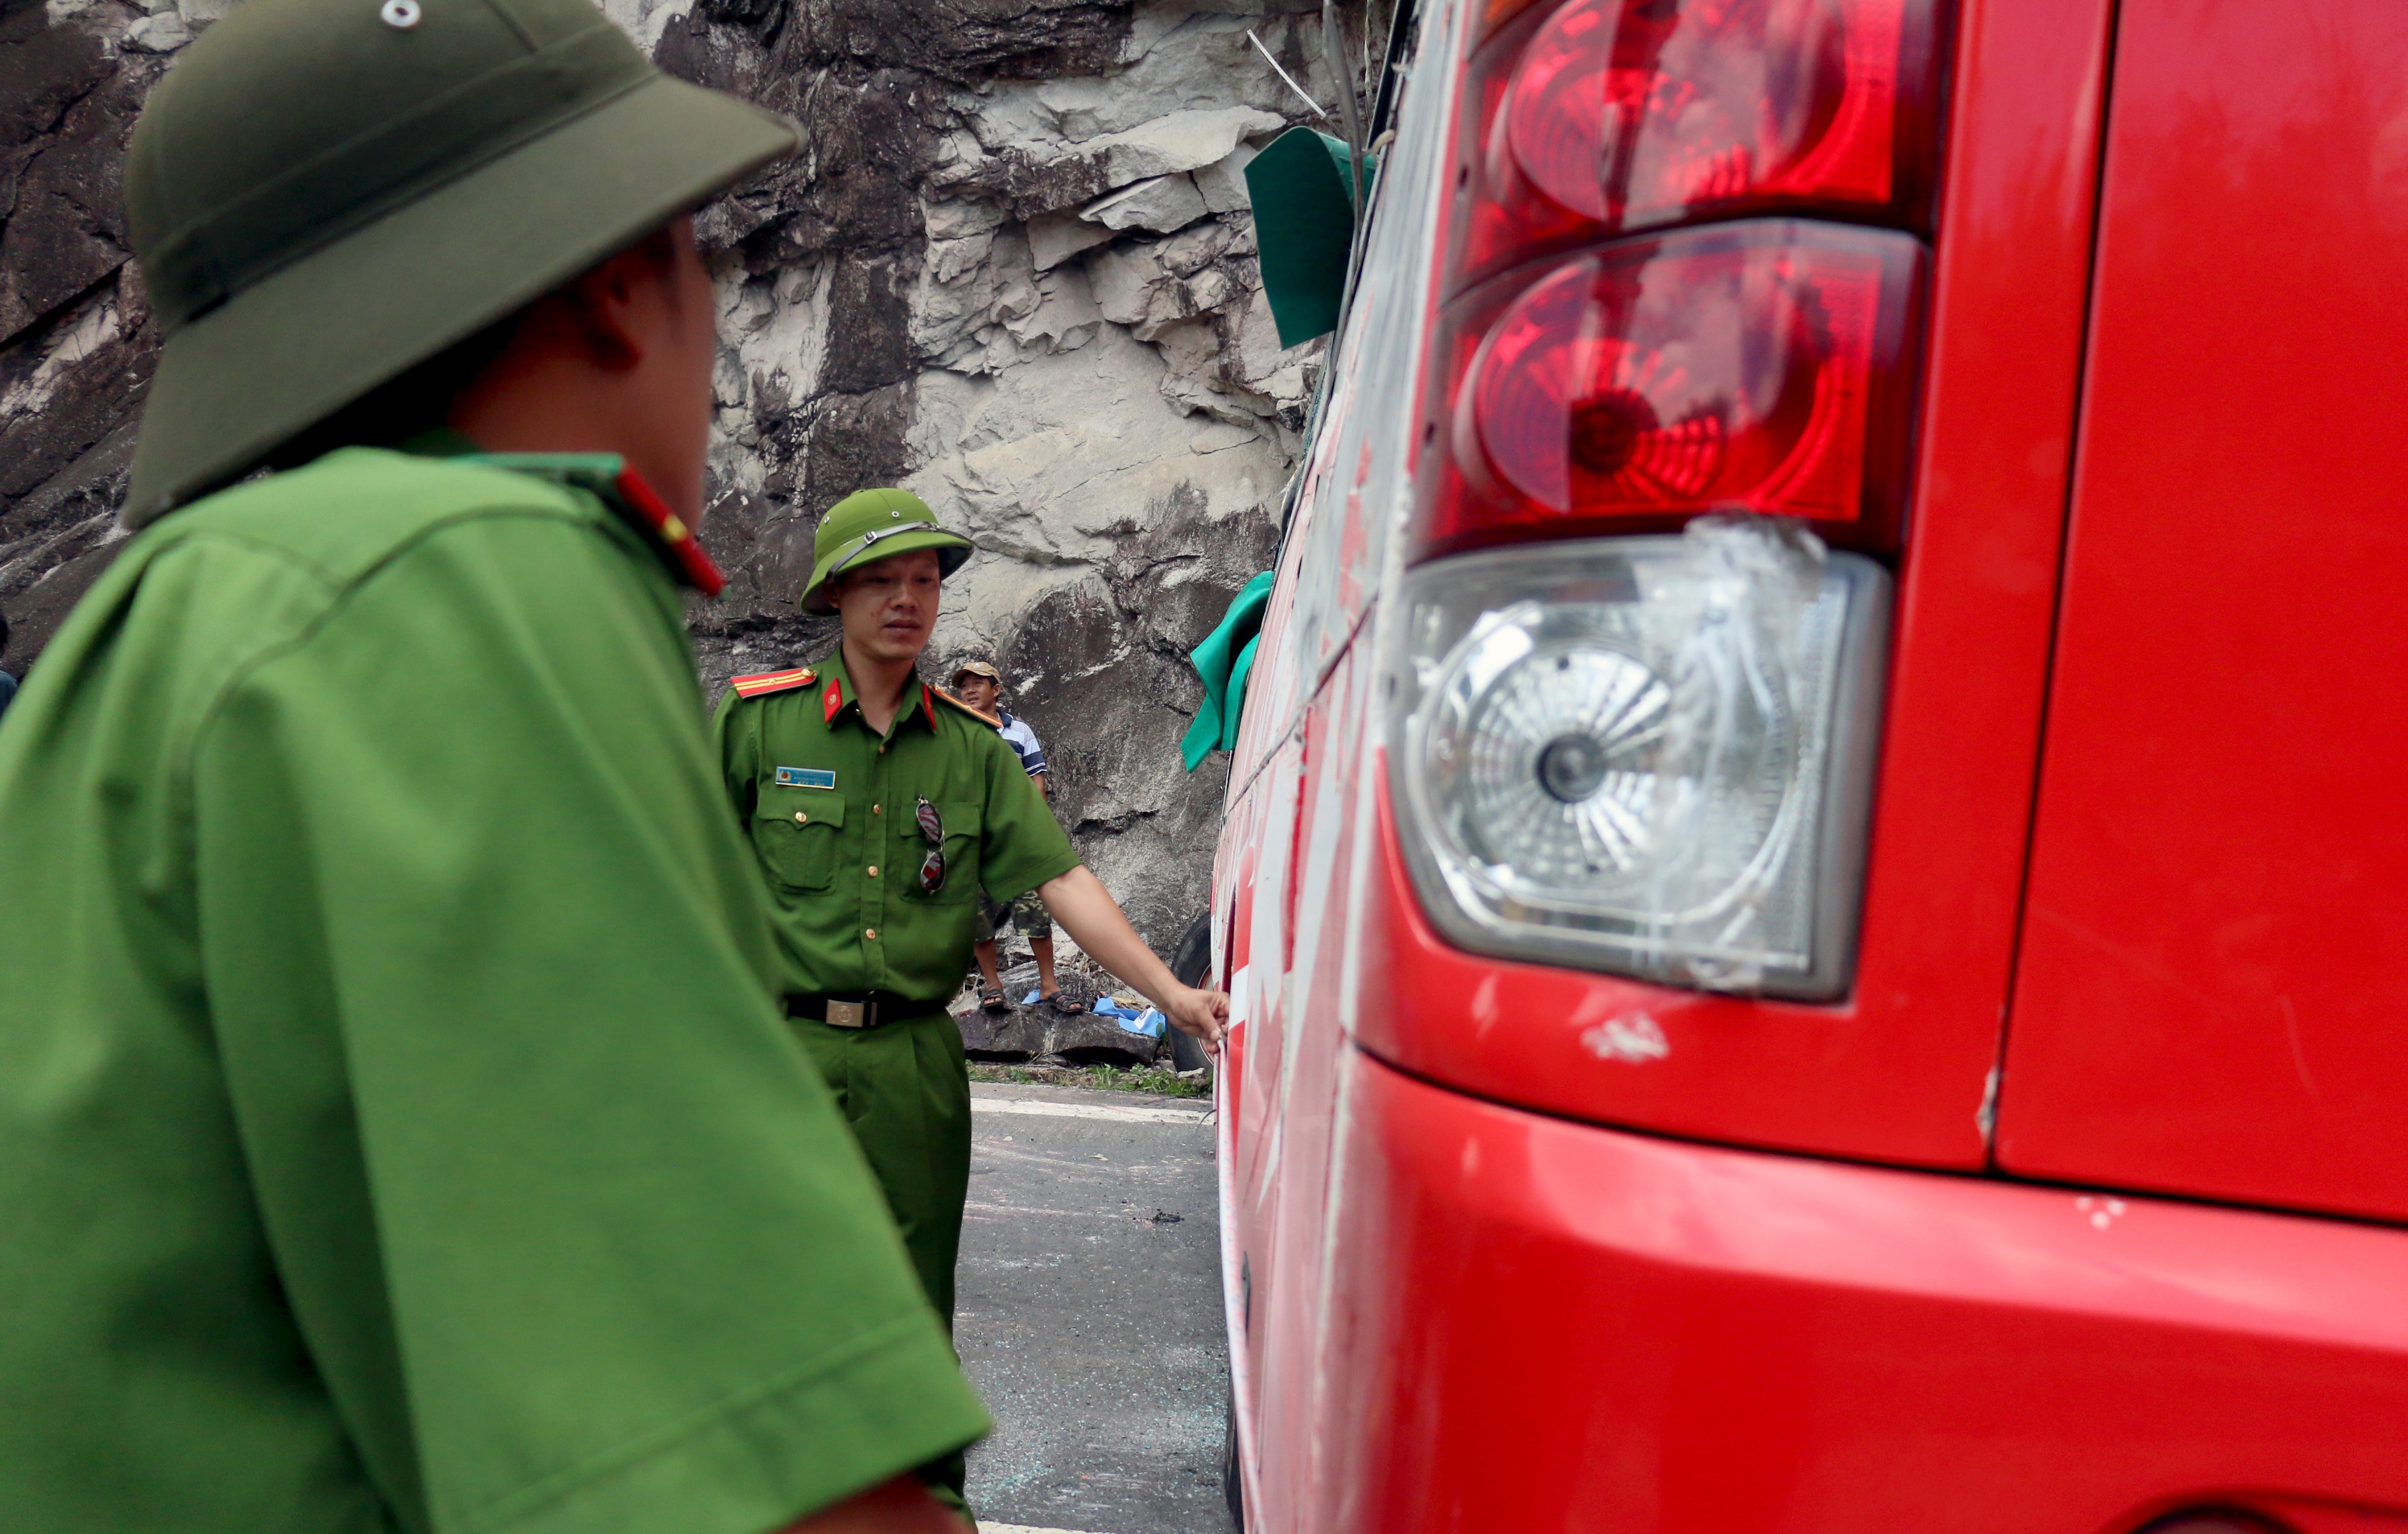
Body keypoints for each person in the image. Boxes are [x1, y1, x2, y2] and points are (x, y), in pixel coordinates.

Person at [0, 3, 986, 1531]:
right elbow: (754, 1485)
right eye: (695, 254)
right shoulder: (463, 574)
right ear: (613, 288)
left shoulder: (160, 636)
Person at [711, 488, 1230, 1518]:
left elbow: (1062, 882)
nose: (907, 600)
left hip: (912, 1063)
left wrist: (1173, 991)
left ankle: (921, 1512)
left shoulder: (972, 749)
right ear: (835, 594)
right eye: (881, 580)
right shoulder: (756, 722)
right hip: (776, 1057)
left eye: (925, 581)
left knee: (910, 1319)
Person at [949, 659, 1067, 1013]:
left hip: (1016, 840)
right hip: (974, 841)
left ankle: (1049, 985)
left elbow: (1037, 781)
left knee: (1035, 912)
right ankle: (993, 986)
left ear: (996, 690)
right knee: (977, 917)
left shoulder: (1020, 732)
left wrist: (1035, 829)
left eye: (978, 684)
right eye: (964, 685)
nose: (970, 690)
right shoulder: (954, 731)